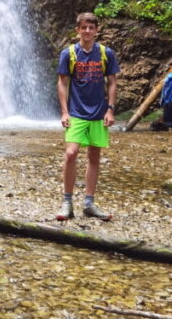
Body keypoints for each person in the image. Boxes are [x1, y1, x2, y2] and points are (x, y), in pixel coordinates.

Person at [56, 12, 119, 221]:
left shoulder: (105, 53)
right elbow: (62, 82)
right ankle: (67, 202)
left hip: (98, 113)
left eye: (91, 28)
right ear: (78, 30)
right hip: (76, 112)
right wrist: (64, 111)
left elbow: (112, 82)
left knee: (94, 155)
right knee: (71, 153)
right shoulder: (69, 54)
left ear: (97, 30)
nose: (87, 31)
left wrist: (110, 109)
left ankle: (89, 203)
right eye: (84, 27)